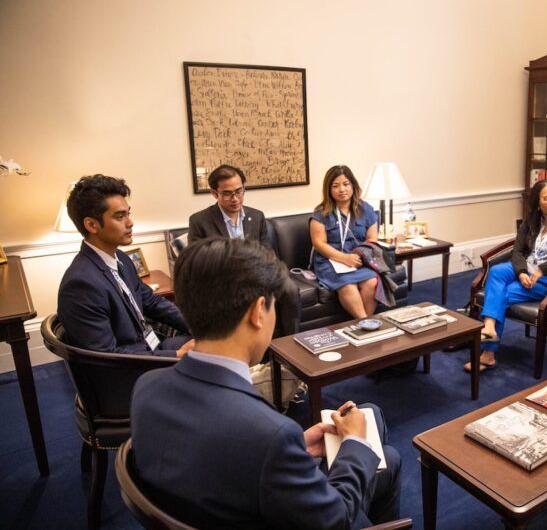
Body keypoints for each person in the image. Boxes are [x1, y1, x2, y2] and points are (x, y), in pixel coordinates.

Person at [131, 238, 401, 528]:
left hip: (218, 501)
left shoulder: (146, 386)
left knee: (380, 446)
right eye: (275, 306)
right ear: (258, 312)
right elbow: (335, 520)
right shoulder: (269, 432)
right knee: (387, 456)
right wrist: (355, 442)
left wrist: (294, 448)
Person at [57, 175, 193, 357]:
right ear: (91, 224)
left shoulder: (121, 258)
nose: (130, 222)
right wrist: (178, 355)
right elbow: (107, 356)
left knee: (217, 342)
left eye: (128, 213)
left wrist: (197, 326)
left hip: (149, 347)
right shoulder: (81, 285)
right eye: (120, 216)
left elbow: (151, 301)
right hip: (130, 368)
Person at [466, 179, 547, 373]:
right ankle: (489, 327)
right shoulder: (531, 221)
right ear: (538, 203)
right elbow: (518, 251)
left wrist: (542, 269)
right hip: (524, 269)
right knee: (496, 272)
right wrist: (521, 272)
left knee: (500, 296)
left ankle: (488, 353)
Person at [188, 164, 300, 335]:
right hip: (225, 282)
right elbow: (197, 262)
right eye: (227, 193)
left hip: (257, 277)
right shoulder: (200, 221)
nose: (235, 198)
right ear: (214, 193)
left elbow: (267, 253)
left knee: (290, 289)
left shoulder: (256, 216)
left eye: (239, 191)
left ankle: (290, 343)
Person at [310, 165, 380, 319]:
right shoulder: (321, 213)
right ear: (329, 190)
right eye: (335, 186)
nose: (342, 189)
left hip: (359, 260)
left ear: (353, 185)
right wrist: (344, 258)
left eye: (346, 184)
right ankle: (365, 323)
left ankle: (365, 324)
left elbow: (372, 239)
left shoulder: (366, 209)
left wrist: (360, 257)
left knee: (372, 282)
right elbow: (318, 243)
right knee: (348, 285)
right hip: (330, 261)